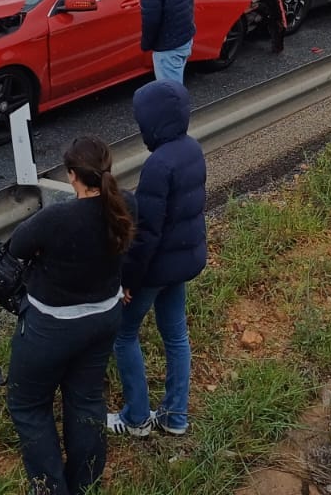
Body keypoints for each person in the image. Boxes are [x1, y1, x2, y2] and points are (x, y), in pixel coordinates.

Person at [7, 136, 134, 495]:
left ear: (72, 175)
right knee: (86, 399)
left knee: (28, 405)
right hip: (104, 318)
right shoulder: (125, 207)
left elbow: (17, 247)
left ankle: (50, 488)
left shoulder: (56, 217)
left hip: (51, 326)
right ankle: (85, 484)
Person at [110, 80, 207, 439]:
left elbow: (146, 234)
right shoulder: (191, 149)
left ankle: (136, 418)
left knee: (124, 334)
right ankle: (175, 417)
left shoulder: (157, 165)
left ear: (154, 121)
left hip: (156, 268)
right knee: (176, 336)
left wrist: (128, 281)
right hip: (183, 261)